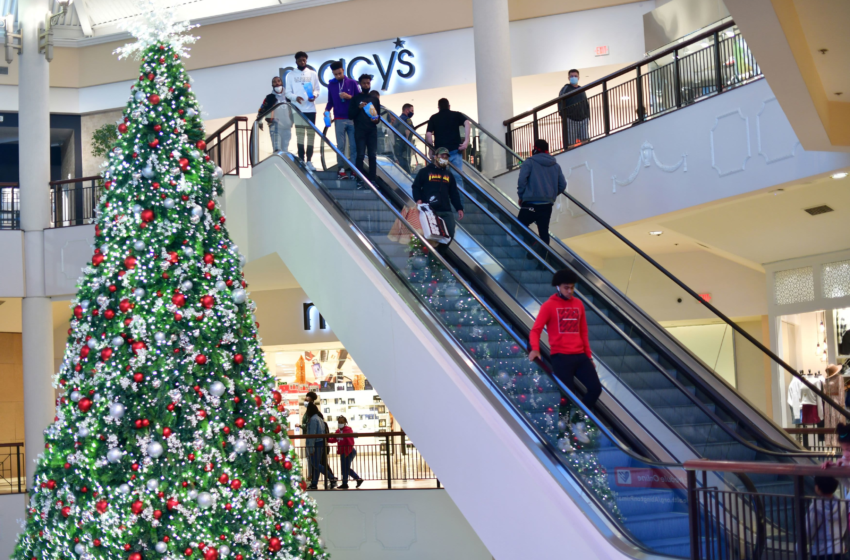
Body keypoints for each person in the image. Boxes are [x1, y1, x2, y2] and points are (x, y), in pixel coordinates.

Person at [528, 268, 599, 446]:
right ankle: (563, 437)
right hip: (560, 357)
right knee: (567, 397)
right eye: (566, 288)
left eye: (572, 288)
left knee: (595, 389)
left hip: (580, 356)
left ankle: (577, 422)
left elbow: (583, 332)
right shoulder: (549, 306)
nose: (570, 291)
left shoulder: (578, 305)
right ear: (558, 287)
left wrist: (589, 357)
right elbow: (536, 330)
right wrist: (535, 349)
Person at [516, 139, 567, 257]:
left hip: (530, 203)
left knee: (519, 225)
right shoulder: (555, 165)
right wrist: (551, 194)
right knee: (544, 231)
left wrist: (521, 196)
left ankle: (533, 243)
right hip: (546, 205)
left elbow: (522, 180)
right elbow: (562, 185)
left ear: (535, 149)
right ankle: (542, 262)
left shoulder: (529, 162)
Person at [411, 147, 464, 255]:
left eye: (446, 157)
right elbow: (416, 187)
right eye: (442, 156)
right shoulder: (424, 172)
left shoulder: (449, 175)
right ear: (435, 157)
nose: (444, 159)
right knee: (430, 236)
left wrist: (459, 207)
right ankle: (431, 257)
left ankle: (440, 255)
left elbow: (453, 193)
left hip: (446, 210)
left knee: (450, 234)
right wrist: (418, 200)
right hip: (430, 210)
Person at [324, 60, 360, 178]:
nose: (338, 76)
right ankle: (341, 169)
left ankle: (354, 169)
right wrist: (326, 110)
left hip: (352, 118)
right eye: (335, 74)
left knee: (354, 145)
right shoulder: (331, 85)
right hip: (338, 118)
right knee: (340, 145)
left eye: (339, 73)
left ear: (343, 70)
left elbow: (360, 99)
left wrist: (349, 97)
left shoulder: (352, 83)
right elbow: (330, 101)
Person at [285, 51, 321, 170]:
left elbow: (317, 89)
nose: (302, 62)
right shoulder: (290, 75)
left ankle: (309, 161)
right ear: (296, 61)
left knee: (311, 135)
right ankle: (301, 160)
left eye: (304, 60)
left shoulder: (312, 74)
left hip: (310, 109)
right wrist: (296, 98)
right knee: (300, 135)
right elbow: (288, 93)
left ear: (306, 60)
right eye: (300, 60)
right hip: (297, 109)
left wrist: (314, 96)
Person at [425, 98, 470, 189]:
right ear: (449, 106)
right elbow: (467, 123)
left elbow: (428, 135)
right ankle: (458, 202)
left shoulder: (434, 117)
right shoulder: (456, 114)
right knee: (457, 178)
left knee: (441, 178)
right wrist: (466, 141)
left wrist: (431, 150)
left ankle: (443, 200)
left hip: (441, 153)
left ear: (439, 108)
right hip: (455, 151)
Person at [348, 74, 381, 184]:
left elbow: (378, 117)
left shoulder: (375, 99)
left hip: (372, 130)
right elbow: (350, 115)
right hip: (360, 131)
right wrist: (359, 107)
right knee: (360, 155)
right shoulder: (355, 99)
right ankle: (359, 179)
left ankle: (372, 179)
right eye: (364, 83)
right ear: (360, 84)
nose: (366, 85)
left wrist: (376, 119)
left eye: (368, 83)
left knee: (372, 155)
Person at [806, 476, 846, 560]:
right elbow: (844, 525)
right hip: (839, 548)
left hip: (820, 550)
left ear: (817, 488)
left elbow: (809, 529)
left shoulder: (816, 506)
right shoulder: (842, 504)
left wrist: (800, 545)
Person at [305, 403, 337, 490]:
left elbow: (312, 434)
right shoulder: (319, 419)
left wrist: (311, 448)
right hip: (321, 443)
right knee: (317, 464)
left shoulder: (313, 420)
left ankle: (331, 477)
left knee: (315, 464)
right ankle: (314, 483)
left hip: (316, 443)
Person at [257, 76, 291, 153]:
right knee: (277, 150)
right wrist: (259, 121)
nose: (277, 83)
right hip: (275, 127)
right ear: (272, 85)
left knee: (285, 150)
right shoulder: (269, 97)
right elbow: (262, 109)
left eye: (278, 81)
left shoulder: (288, 96)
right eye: (274, 82)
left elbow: (294, 110)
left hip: (287, 126)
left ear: (282, 83)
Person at [328, 415, 364, 489]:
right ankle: (357, 479)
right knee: (345, 468)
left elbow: (351, 443)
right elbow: (334, 439)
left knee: (345, 468)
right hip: (343, 452)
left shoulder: (348, 430)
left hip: (349, 451)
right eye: (339, 422)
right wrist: (327, 439)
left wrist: (347, 453)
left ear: (345, 422)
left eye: (342, 422)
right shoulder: (337, 431)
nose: (340, 423)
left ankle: (346, 483)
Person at [558, 69, 590, 149]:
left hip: (583, 118)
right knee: (570, 143)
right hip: (571, 119)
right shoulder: (566, 89)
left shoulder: (581, 89)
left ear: (578, 77)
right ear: (568, 78)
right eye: (572, 76)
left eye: (575, 76)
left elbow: (586, 103)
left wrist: (587, 116)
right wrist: (563, 116)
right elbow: (560, 102)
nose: (574, 78)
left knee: (585, 140)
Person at [393, 103, 415, 174]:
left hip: (397, 147)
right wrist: (410, 146)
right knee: (406, 168)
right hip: (405, 148)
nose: (413, 112)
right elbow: (408, 133)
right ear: (407, 110)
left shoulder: (397, 120)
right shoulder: (407, 119)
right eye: (412, 110)